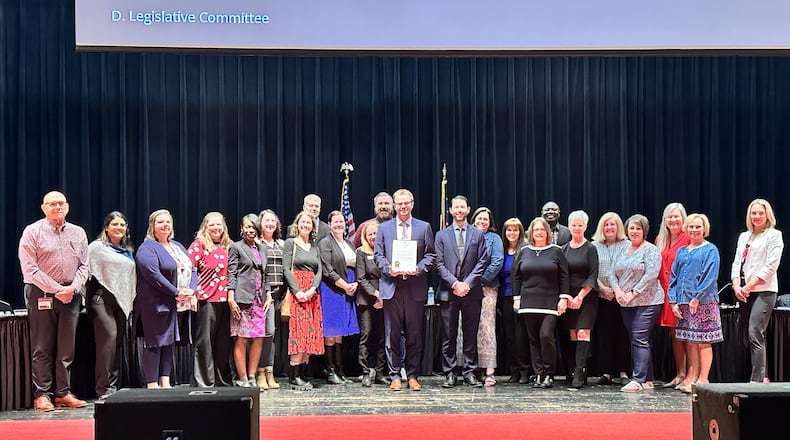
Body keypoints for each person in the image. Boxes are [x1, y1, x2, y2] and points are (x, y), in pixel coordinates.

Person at [18, 191, 89, 410]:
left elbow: (85, 266)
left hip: (71, 294)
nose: (57, 207)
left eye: (61, 203)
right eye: (52, 204)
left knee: (67, 347)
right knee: (42, 346)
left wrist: (73, 288)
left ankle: (63, 393)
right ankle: (42, 394)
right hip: (41, 293)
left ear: (67, 206)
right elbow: (29, 268)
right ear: (44, 208)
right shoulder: (32, 231)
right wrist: (57, 289)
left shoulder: (78, 233)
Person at [374, 189, 436, 392]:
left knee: (414, 335)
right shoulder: (384, 228)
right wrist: (388, 269)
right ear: (393, 205)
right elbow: (378, 255)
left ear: (412, 203)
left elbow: (430, 256)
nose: (402, 206)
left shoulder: (423, 227)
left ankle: (412, 375)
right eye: (399, 203)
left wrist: (418, 269)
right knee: (392, 334)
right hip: (392, 287)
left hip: (414, 287)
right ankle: (394, 375)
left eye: (406, 203)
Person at [133, 209, 197, 389]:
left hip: (178, 304)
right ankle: (152, 384)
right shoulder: (147, 248)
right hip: (156, 304)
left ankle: (165, 382)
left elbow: (192, 268)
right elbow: (153, 276)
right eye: (160, 222)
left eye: (168, 222)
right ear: (152, 226)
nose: (165, 225)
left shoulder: (177, 245)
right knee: (155, 343)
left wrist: (191, 290)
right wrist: (176, 292)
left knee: (169, 343)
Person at [435, 196, 490, 388]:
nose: (459, 210)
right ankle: (450, 373)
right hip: (448, 293)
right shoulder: (441, 235)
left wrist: (466, 283)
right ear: (450, 210)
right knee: (449, 335)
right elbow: (439, 264)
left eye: (462, 207)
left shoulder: (478, 234)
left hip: (472, 292)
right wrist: (455, 283)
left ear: (468, 210)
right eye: (456, 207)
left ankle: (469, 372)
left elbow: (483, 261)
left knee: (470, 334)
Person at [511, 217, 570, 388]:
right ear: (531, 233)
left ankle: (549, 373)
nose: (538, 233)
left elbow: (564, 276)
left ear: (547, 232)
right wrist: (517, 299)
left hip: (550, 303)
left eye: (542, 230)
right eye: (535, 230)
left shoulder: (556, 251)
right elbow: (516, 277)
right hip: (528, 301)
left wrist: (564, 298)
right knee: (533, 339)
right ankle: (538, 374)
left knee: (546, 336)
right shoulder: (524, 251)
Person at [730, 198, 784, 383]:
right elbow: (737, 262)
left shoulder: (774, 235)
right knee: (750, 334)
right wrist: (737, 284)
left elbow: (770, 266)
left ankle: (757, 380)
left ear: (767, 215)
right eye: (754, 213)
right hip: (744, 291)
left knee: (755, 332)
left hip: (764, 291)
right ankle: (764, 375)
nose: (757, 216)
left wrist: (749, 285)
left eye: (761, 213)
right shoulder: (744, 236)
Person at [668, 214, 723, 393]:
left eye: (698, 227)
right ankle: (691, 377)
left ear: (704, 229)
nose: (694, 230)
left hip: (704, 302)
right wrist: (673, 300)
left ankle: (703, 378)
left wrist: (697, 298)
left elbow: (710, 276)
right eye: (691, 227)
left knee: (704, 341)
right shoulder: (683, 251)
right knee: (690, 340)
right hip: (684, 302)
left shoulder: (710, 250)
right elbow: (674, 277)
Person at [86, 211, 136, 400]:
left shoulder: (128, 251)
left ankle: (112, 387)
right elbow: (85, 272)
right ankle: (103, 388)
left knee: (116, 344)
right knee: (108, 340)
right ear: (106, 227)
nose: (119, 228)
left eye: (122, 225)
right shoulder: (96, 248)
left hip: (121, 302)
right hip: (101, 300)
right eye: (115, 224)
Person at [610, 214, 662, 392]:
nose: (634, 231)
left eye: (638, 228)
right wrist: (617, 291)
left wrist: (632, 293)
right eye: (631, 228)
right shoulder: (623, 249)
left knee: (639, 337)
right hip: (625, 303)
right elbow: (611, 273)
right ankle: (648, 379)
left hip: (648, 301)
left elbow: (651, 274)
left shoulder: (650, 250)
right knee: (638, 339)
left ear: (644, 231)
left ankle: (638, 380)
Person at [187, 212, 233, 388]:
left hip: (225, 301)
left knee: (223, 343)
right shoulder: (198, 246)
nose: (215, 228)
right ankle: (204, 381)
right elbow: (188, 269)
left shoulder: (229, 246)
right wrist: (192, 293)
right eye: (211, 225)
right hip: (205, 300)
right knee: (204, 342)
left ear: (224, 227)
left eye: (219, 225)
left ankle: (222, 380)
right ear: (205, 227)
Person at [227, 214, 271, 387]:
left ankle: (252, 377)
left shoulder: (262, 249)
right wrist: (231, 297)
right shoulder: (236, 247)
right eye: (247, 227)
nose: (250, 230)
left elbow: (265, 274)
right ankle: (243, 378)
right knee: (242, 338)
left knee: (259, 338)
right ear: (241, 228)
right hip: (242, 298)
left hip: (259, 299)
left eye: (253, 227)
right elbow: (231, 273)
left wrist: (268, 294)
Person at [282, 211, 324, 390]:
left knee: (310, 333)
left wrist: (313, 289)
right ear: (297, 224)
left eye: (309, 223)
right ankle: (294, 376)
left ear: (313, 227)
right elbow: (285, 268)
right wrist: (298, 291)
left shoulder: (315, 246)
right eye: (303, 222)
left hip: (312, 294)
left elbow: (319, 270)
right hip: (297, 293)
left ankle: (304, 374)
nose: (306, 225)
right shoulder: (290, 243)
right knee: (298, 334)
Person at [318, 210, 361, 384]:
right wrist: (344, 285)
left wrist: (356, 284)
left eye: (341, 222)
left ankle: (340, 371)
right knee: (331, 332)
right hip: (332, 289)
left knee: (340, 333)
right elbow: (327, 270)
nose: (338, 225)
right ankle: (330, 371)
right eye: (335, 222)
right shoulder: (325, 243)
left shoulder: (349, 243)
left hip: (349, 288)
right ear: (329, 224)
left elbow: (359, 266)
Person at [559, 210, 599, 388]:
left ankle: (579, 375)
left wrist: (580, 297)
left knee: (583, 332)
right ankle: (574, 371)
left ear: (585, 227)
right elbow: (561, 275)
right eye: (573, 225)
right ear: (569, 226)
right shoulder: (564, 249)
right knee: (573, 334)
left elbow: (592, 275)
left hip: (586, 297)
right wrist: (566, 297)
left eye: (580, 225)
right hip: (568, 296)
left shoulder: (590, 248)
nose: (576, 228)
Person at [591, 212, 631, 386]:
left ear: (619, 227)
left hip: (623, 296)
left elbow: (630, 270)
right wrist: (603, 288)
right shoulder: (594, 246)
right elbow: (591, 271)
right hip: (601, 296)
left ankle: (623, 371)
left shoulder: (628, 245)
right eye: (606, 225)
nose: (609, 228)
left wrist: (617, 290)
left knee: (622, 334)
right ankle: (607, 372)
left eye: (613, 224)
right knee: (604, 334)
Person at [655, 202, 691, 389]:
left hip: (683, 293)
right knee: (675, 334)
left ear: (683, 218)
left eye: (676, 216)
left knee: (687, 334)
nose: (673, 220)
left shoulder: (688, 238)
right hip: (665, 293)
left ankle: (690, 376)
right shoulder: (660, 239)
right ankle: (680, 374)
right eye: (670, 217)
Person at [471, 206, 503, 386]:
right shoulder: (467, 236)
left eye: (485, 219)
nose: (482, 221)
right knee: (468, 328)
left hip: (487, 288)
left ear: (490, 222)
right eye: (479, 218)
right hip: (467, 289)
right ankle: (472, 368)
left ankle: (489, 370)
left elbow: (497, 261)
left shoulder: (494, 238)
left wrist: (480, 280)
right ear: (473, 219)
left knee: (487, 328)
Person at [355, 221, 389, 387]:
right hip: (366, 300)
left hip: (385, 300)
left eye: (376, 233)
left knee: (383, 337)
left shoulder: (386, 251)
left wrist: (383, 296)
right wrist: (376, 294)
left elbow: (389, 275)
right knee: (366, 335)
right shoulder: (361, 252)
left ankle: (380, 372)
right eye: (370, 234)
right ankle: (366, 372)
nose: (373, 237)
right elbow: (361, 278)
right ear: (365, 236)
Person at [498, 217, 532, 384]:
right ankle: (514, 371)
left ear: (520, 232)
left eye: (515, 230)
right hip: (505, 297)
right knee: (510, 336)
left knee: (521, 335)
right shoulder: (501, 250)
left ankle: (525, 370)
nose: (512, 233)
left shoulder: (525, 249)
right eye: (509, 230)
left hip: (522, 297)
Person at [256, 209, 285, 389]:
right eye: (266, 221)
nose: (270, 224)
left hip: (280, 294)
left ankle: (270, 371)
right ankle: (260, 372)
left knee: (272, 335)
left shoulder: (282, 244)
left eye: (273, 221)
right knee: (264, 335)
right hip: (261, 295)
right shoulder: (256, 244)